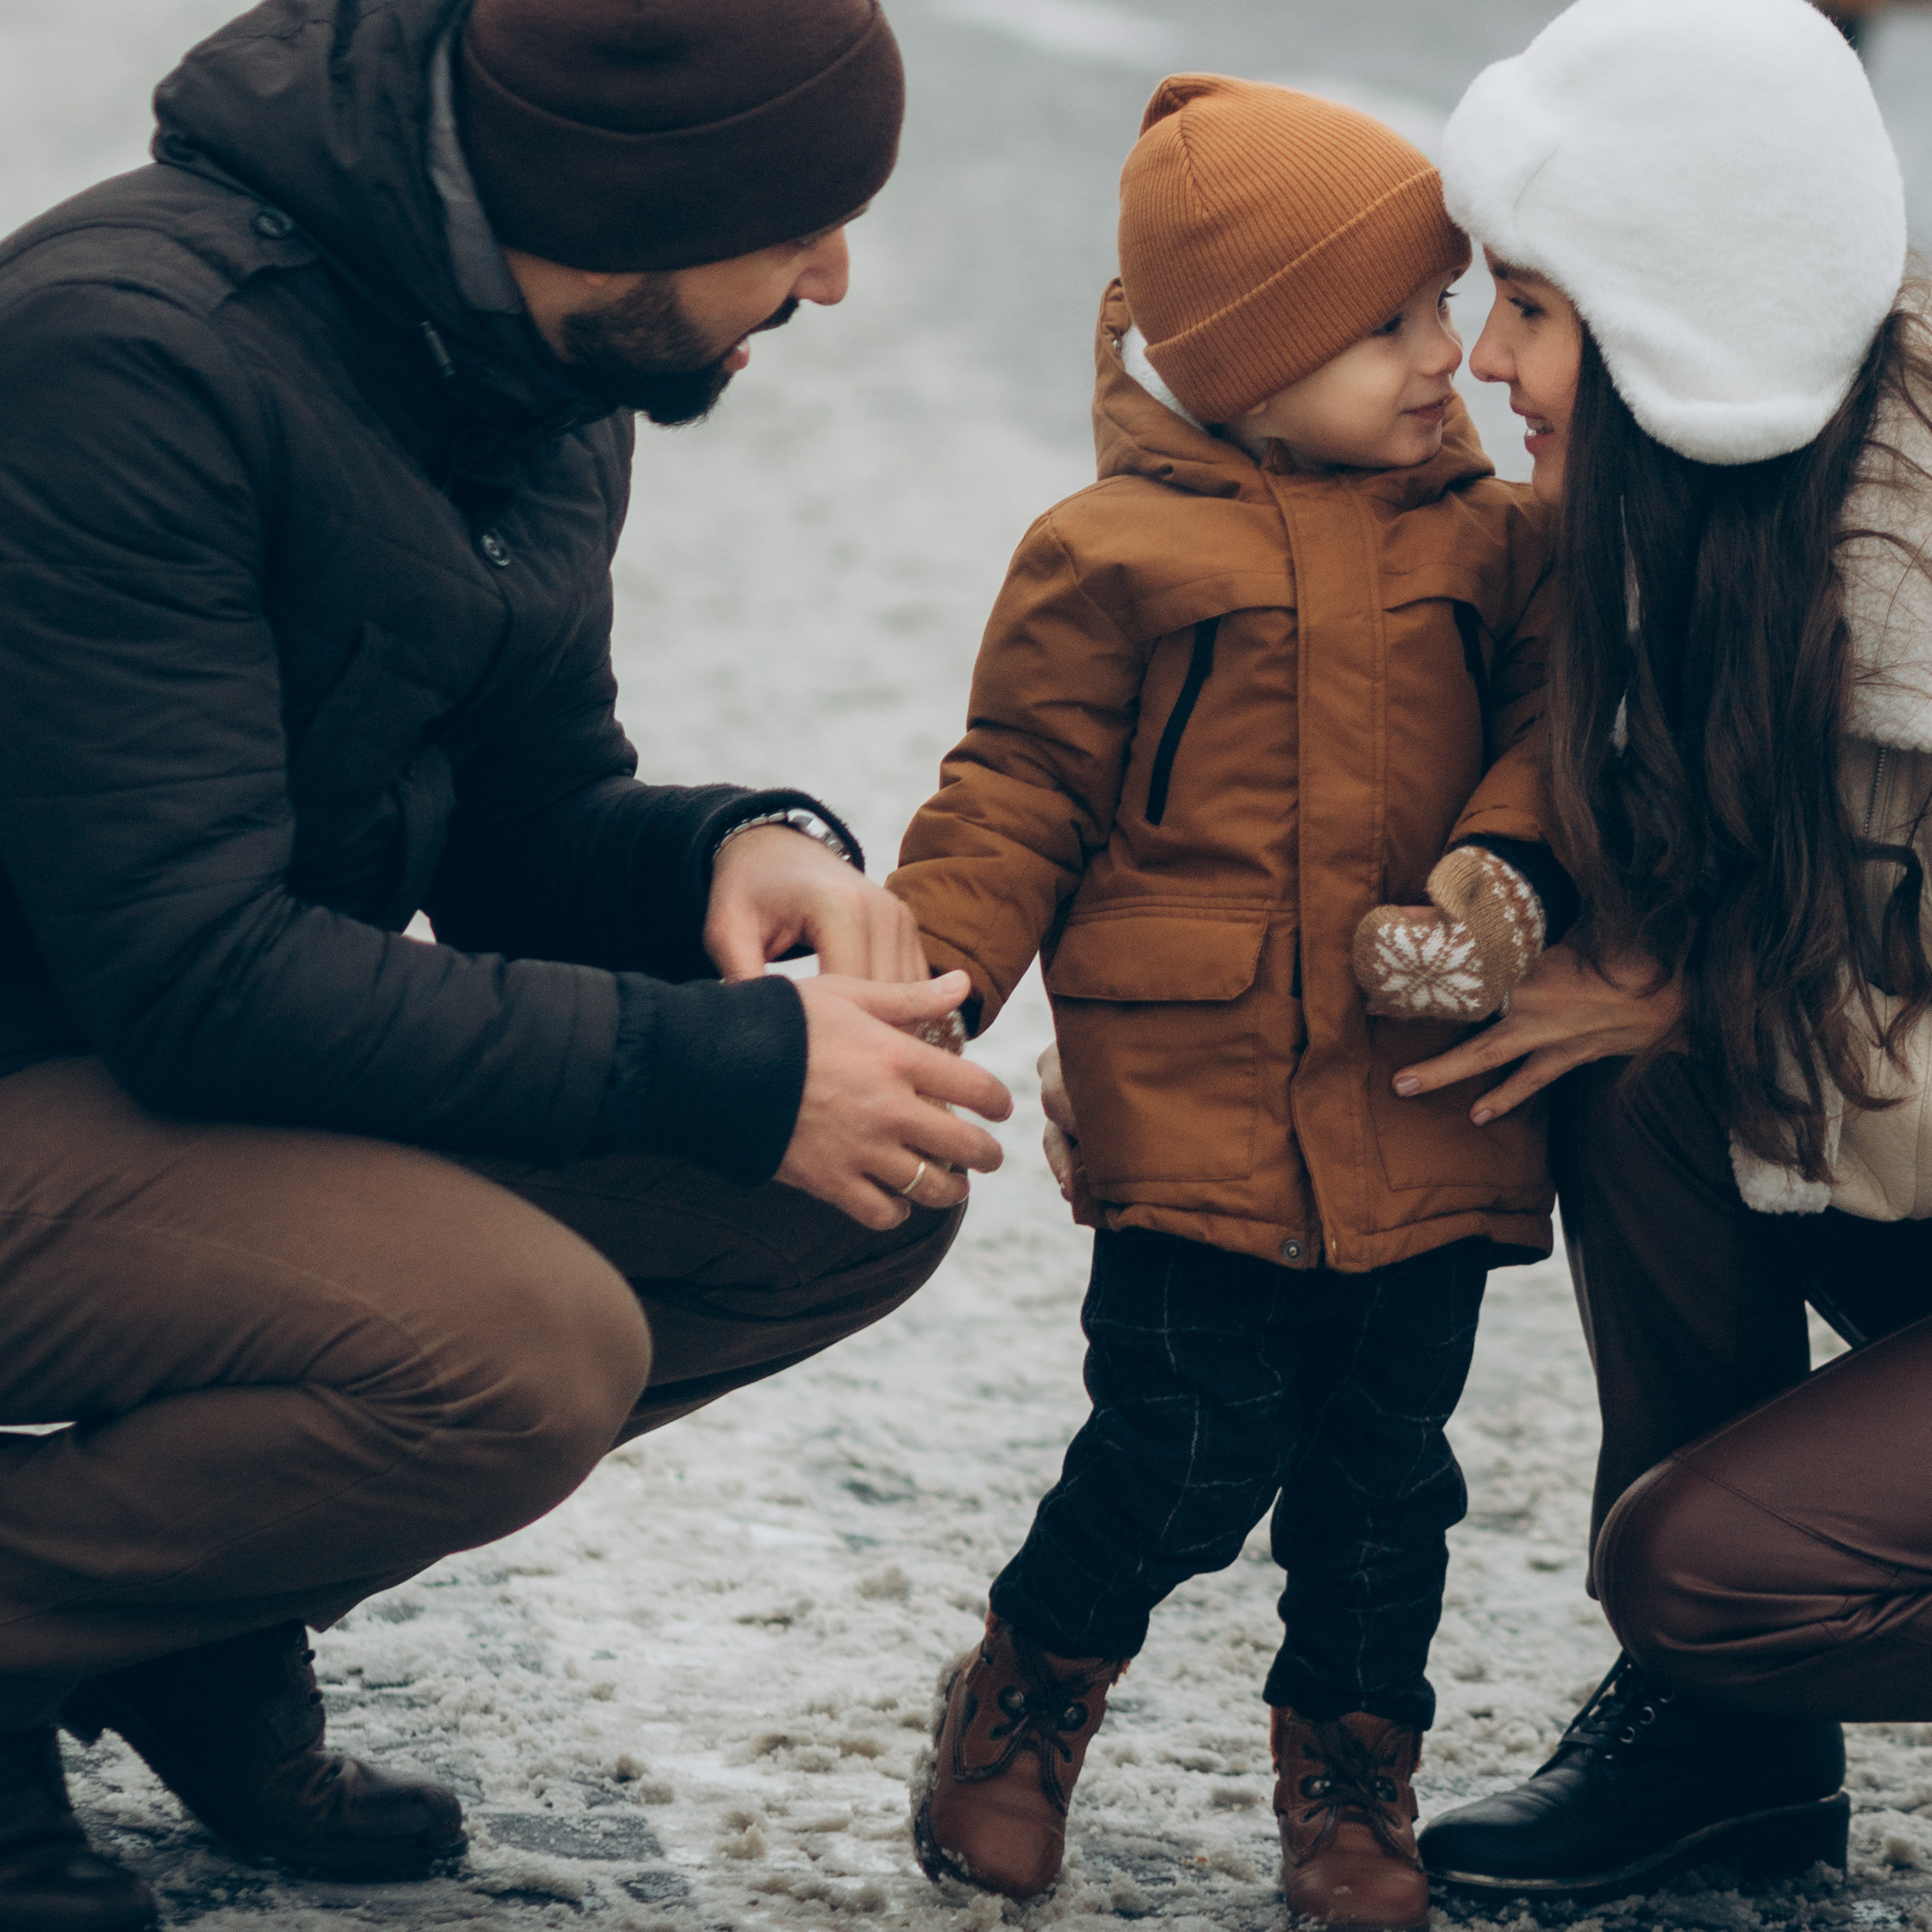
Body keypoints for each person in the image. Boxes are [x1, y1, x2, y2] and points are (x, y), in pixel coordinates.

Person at [0, 1, 1015, 1926]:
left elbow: (522, 823)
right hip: (70, 1058)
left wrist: (731, 852)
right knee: (515, 1348)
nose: (833, 276)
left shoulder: (523, 368)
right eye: (797, 217)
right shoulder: (127, 356)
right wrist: (723, 1067)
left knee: (854, 1194)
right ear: (632, 197)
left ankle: (183, 1620)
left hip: (134, 1067)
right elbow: (199, 978)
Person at [887, 77, 1565, 1930]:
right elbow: (1017, 783)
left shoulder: (1494, 545)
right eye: (1391, 326)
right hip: (1195, 1090)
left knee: (1384, 1488)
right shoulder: (1111, 554)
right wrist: (928, 977)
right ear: (1247, 369)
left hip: (1425, 1092)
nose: (1447, 356)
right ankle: (1026, 1695)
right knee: (1181, 1447)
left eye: (1446, 307)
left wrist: (1498, 885)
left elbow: (1554, 742)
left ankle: (1353, 1781)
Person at [1352, 0, 1932, 1904]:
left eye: (1527, 304)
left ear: (1677, 311)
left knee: (1715, 1571)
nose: (1485, 356)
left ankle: (1721, 1666)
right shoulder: (1690, 514)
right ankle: (1726, 1765)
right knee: (1622, 1058)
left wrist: (1714, 979)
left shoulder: (1904, 588)